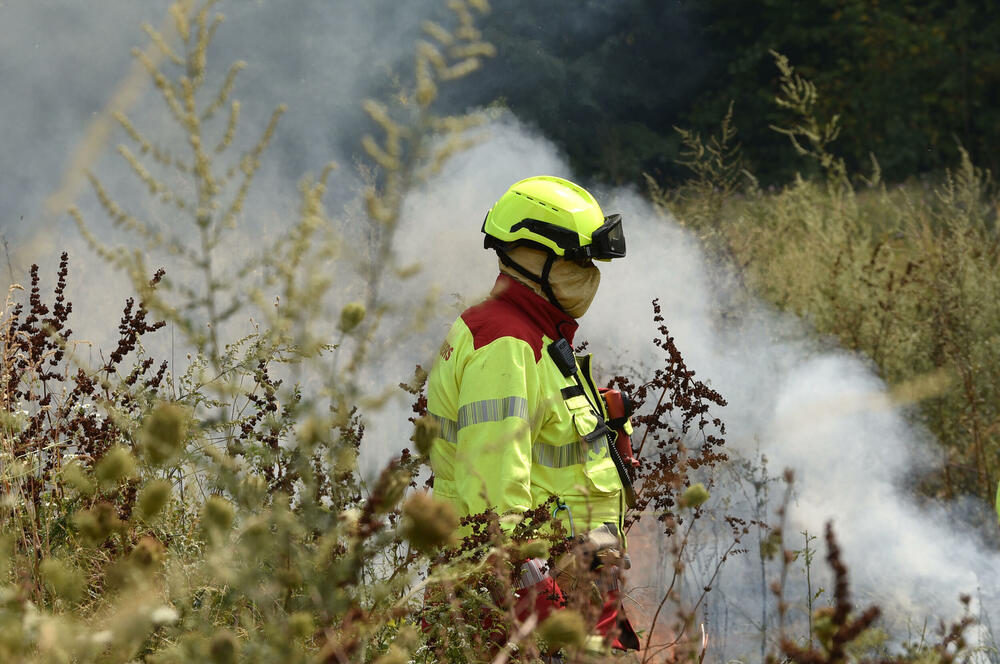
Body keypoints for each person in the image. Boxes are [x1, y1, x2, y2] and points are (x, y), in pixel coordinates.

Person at [425, 175, 640, 657]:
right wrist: (541, 612)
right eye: (578, 259)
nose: (589, 273)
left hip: (568, 593)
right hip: (523, 609)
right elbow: (493, 498)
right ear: (531, 255)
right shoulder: (506, 344)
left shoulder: (532, 334)